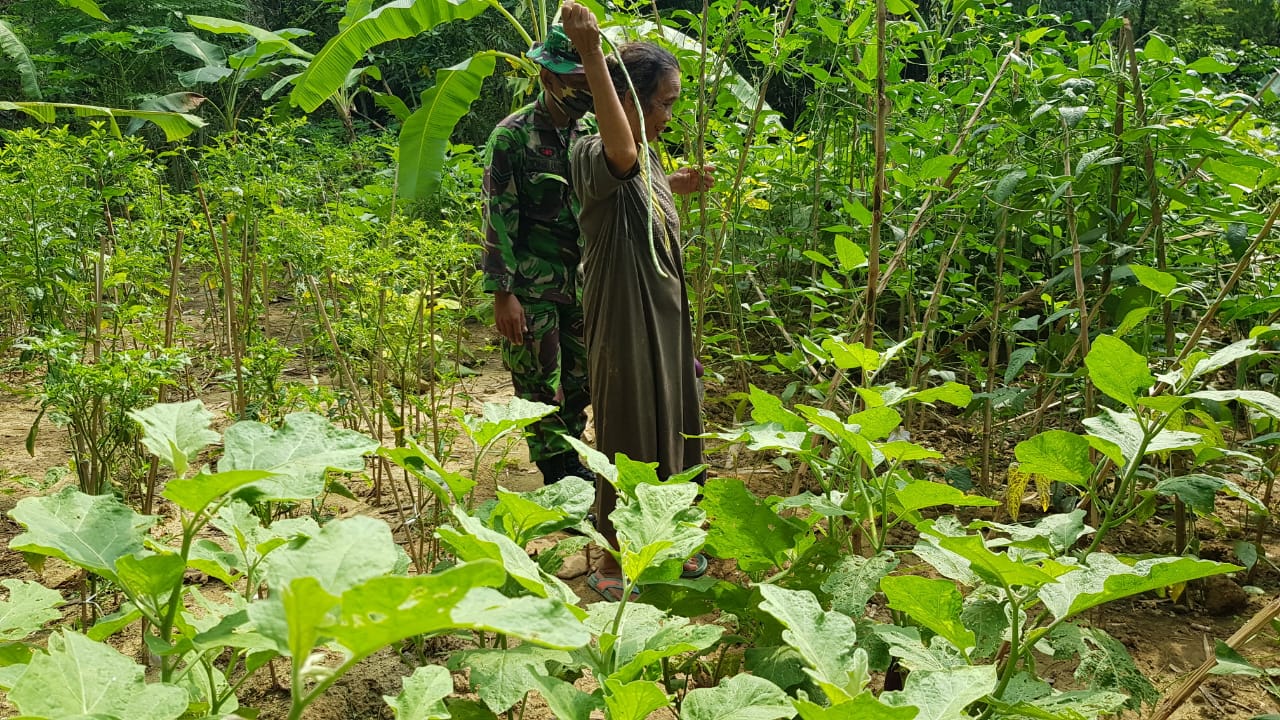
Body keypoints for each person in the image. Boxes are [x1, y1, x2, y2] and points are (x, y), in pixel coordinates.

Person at [561, 1, 715, 599]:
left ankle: (664, 540)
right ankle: (612, 560)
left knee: (673, 420)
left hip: (664, 314)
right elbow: (618, 162)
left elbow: (636, 182)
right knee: (628, 426)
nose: (671, 115)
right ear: (628, 102)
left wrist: (675, 183)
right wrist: (592, 53)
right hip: (626, 314)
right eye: (665, 102)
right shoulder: (592, 147)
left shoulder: (645, 151)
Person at [481, 25, 598, 485]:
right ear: (547, 77)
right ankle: (557, 473)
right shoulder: (511, 137)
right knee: (539, 380)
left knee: (580, 379)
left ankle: (570, 457)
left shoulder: (589, 131)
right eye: (573, 80)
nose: (582, 90)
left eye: (588, 80)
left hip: (582, 282)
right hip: (531, 286)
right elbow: (498, 218)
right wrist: (501, 294)